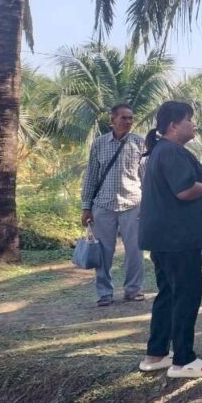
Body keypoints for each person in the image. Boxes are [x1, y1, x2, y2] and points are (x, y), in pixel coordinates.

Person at [137, 101, 202, 379]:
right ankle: (184, 359)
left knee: (168, 294)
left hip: (163, 237)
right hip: (178, 238)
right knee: (186, 294)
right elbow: (184, 191)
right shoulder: (171, 151)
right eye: (189, 119)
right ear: (173, 126)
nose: (194, 124)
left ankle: (156, 353)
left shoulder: (162, 150)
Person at [80, 104, 146, 307]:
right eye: (124, 118)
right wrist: (86, 207)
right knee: (103, 252)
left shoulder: (140, 143)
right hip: (103, 205)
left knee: (135, 251)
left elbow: (145, 177)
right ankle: (104, 293)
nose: (128, 121)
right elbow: (91, 176)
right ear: (112, 120)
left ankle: (133, 290)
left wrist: (149, 205)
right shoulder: (99, 144)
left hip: (133, 204)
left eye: (131, 118)